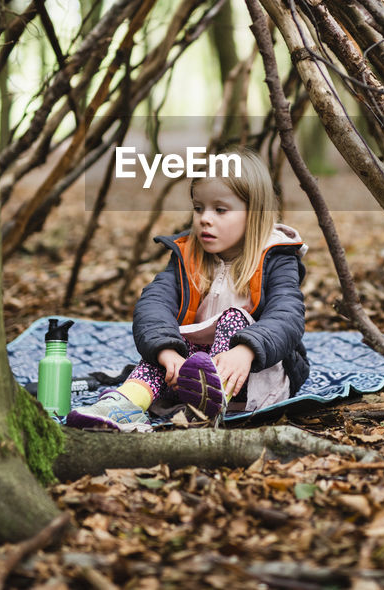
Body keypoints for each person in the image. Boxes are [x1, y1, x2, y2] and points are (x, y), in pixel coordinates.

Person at [65, 148, 309, 431]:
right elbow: (153, 305)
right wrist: (168, 352)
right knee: (165, 343)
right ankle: (123, 404)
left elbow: (287, 316)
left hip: (256, 375)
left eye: (220, 210)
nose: (205, 218)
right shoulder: (187, 254)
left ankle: (211, 404)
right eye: (198, 208)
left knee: (233, 317)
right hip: (189, 373)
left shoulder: (276, 257)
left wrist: (246, 350)